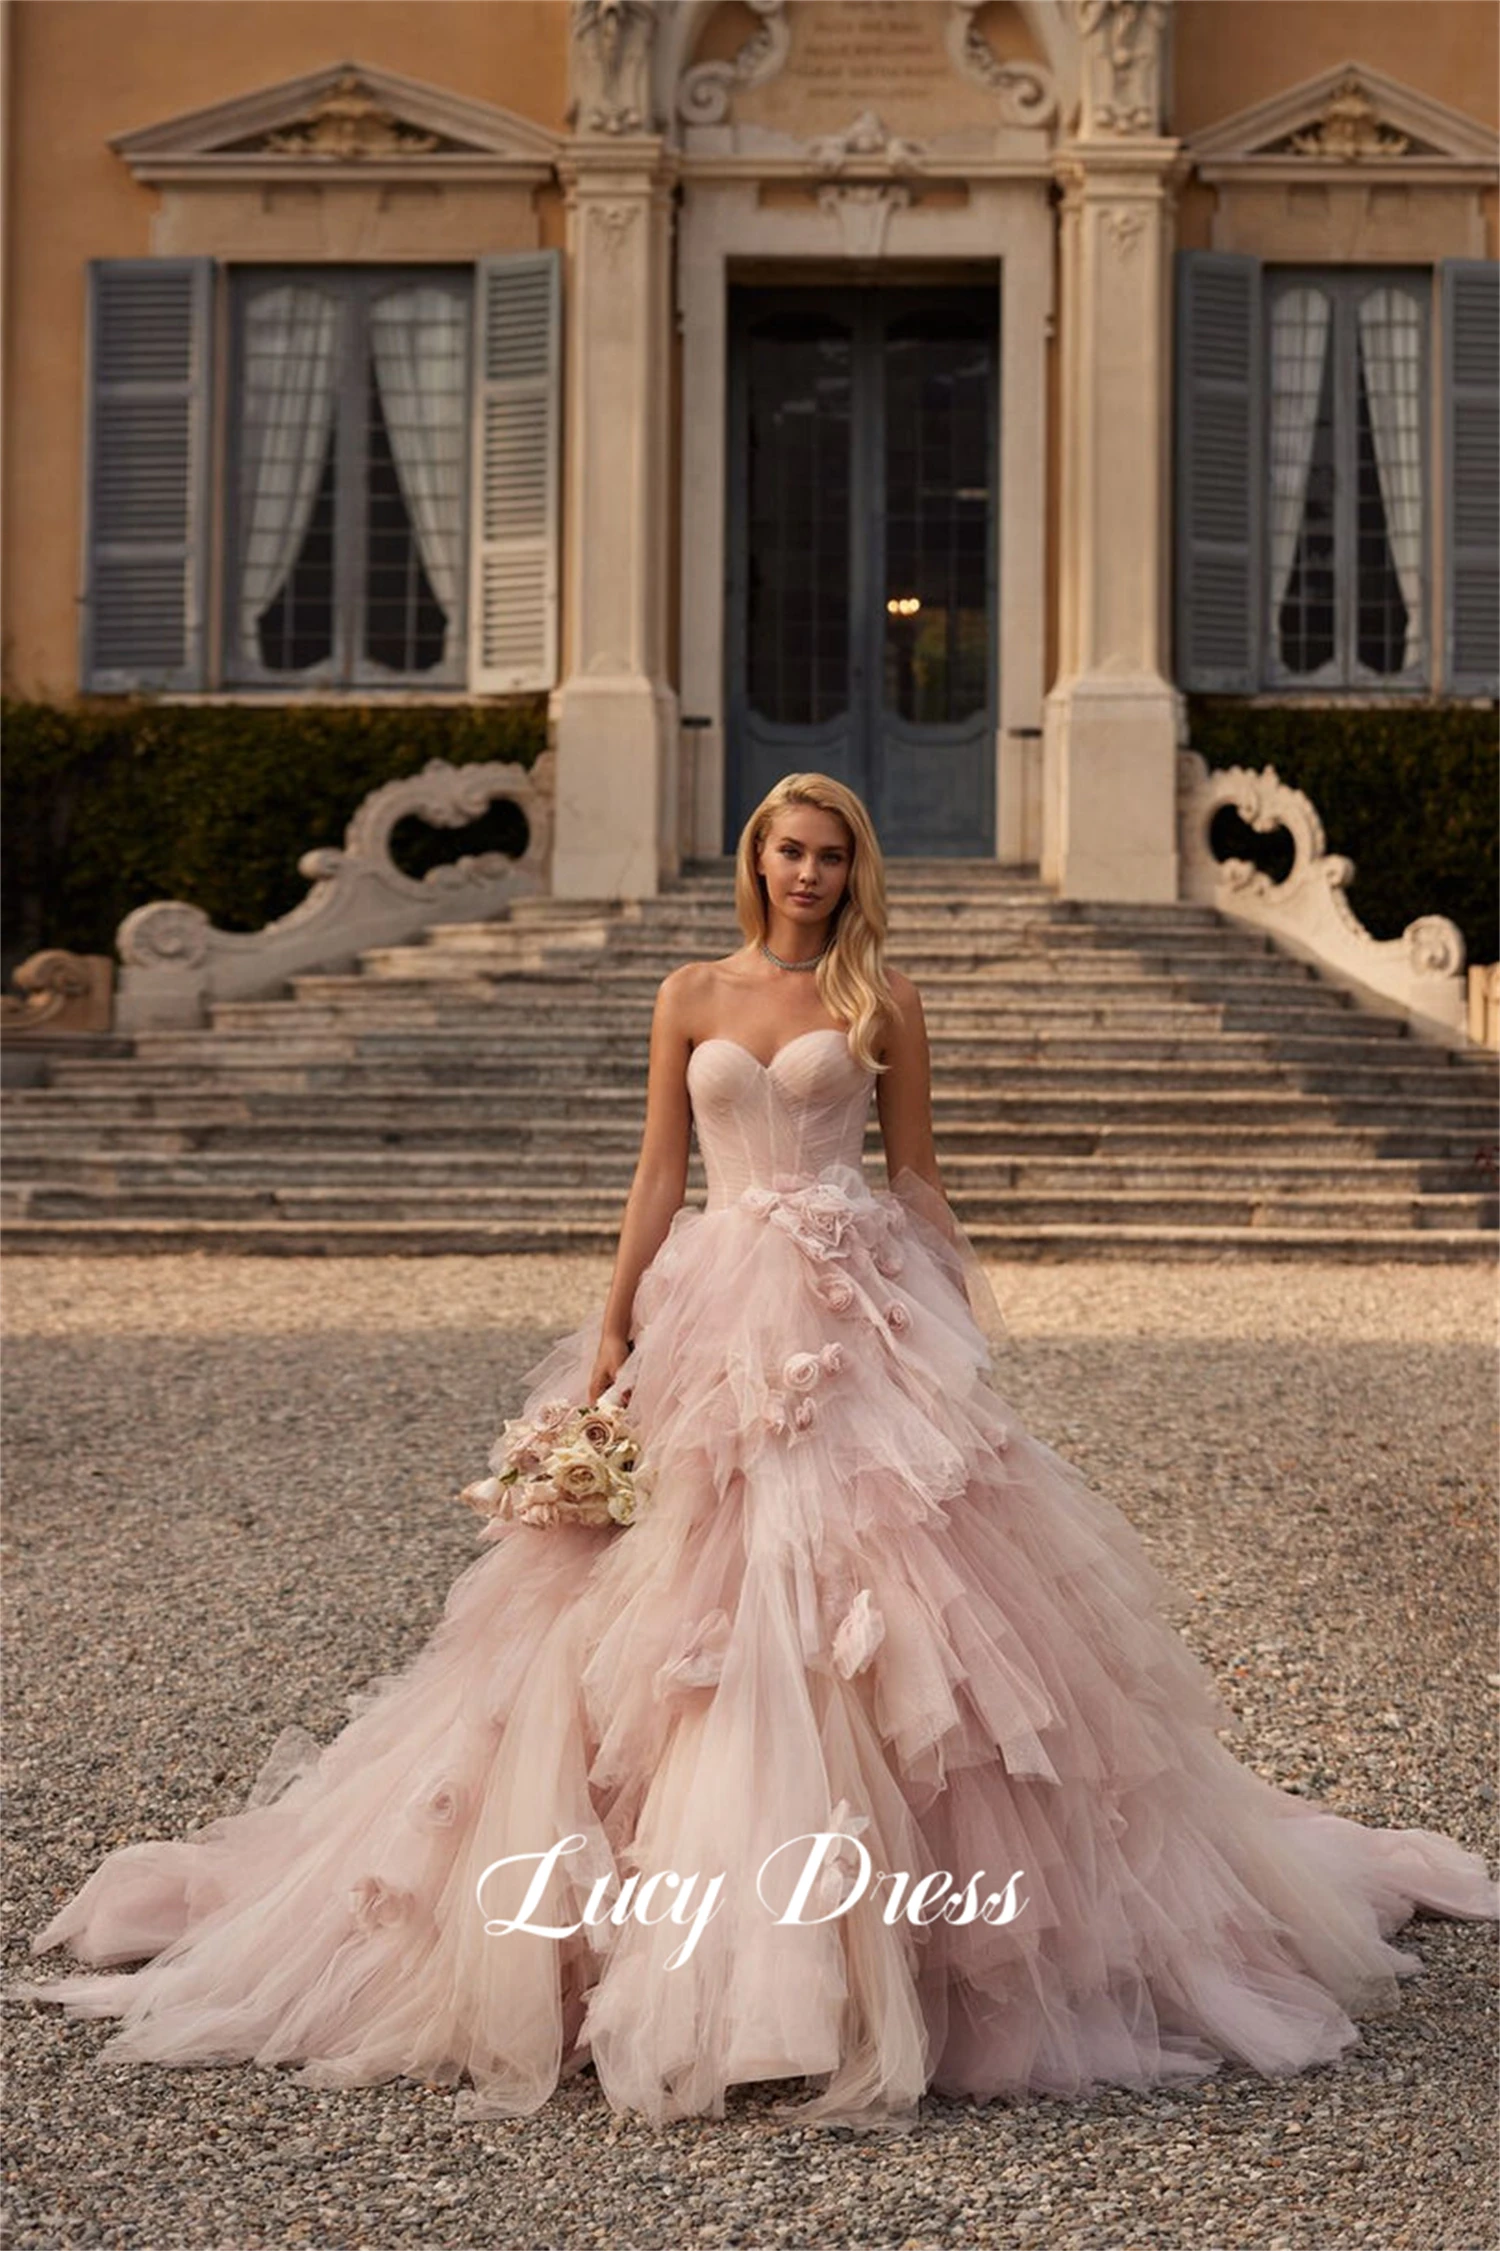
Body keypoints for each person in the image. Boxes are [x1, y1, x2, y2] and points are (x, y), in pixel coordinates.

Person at [8, 771, 1498, 2139]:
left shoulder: (888, 996)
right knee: (654, 1608)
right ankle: (645, 1944)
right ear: (758, 861)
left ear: (854, 873)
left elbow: (915, 1177)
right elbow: (660, 1166)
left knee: (881, 1603)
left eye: (831, 854)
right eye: (790, 850)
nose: (807, 872)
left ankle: (876, 1954)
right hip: (711, 1310)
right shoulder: (688, 991)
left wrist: (935, 1333)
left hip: (848, 1317)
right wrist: (607, 1335)